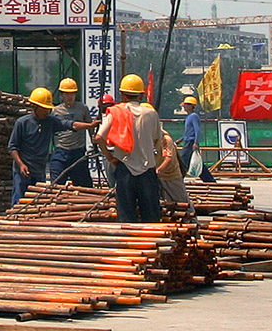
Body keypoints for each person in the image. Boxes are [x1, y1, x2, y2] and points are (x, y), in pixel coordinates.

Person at [7, 86, 96, 206]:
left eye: (47, 109)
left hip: (39, 170)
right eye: (43, 108)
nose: (46, 111)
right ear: (35, 106)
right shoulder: (23, 123)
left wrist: (89, 126)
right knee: (19, 200)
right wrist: (21, 164)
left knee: (36, 202)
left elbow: (71, 125)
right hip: (23, 170)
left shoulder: (50, 122)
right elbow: (12, 147)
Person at [94, 73, 161, 222]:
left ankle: (128, 243)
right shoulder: (151, 113)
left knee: (126, 215)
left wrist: (110, 157)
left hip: (124, 169)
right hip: (147, 170)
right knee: (151, 215)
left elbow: (98, 137)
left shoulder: (115, 112)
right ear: (141, 95)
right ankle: (154, 242)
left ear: (123, 95)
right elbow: (157, 140)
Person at [150, 104, 193, 218]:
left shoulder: (164, 138)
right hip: (159, 177)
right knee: (166, 204)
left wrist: (157, 171)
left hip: (171, 176)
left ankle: (192, 222)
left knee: (181, 201)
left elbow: (168, 158)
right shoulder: (146, 135)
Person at [50, 78, 93, 188]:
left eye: (72, 94)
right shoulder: (55, 111)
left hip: (78, 152)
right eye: (66, 94)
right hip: (61, 151)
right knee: (55, 186)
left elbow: (90, 127)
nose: (69, 97)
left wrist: (95, 144)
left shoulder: (82, 108)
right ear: (61, 95)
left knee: (85, 186)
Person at [180, 95, 216, 183]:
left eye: (186, 105)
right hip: (188, 141)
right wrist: (180, 140)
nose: (184, 107)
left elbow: (197, 130)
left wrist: (196, 142)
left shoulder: (194, 116)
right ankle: (209, 181)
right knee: (197, 164)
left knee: (183, 162)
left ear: (191, 106)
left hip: (191, 143)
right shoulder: (189, 117)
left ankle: (178, 181)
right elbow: (188, 132)